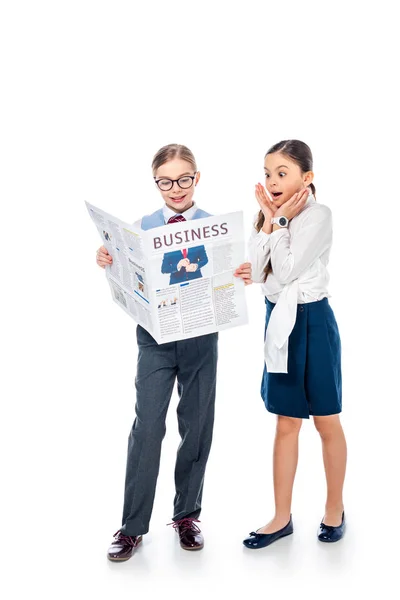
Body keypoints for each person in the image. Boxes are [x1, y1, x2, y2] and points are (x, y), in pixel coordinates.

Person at [96, 143, 252, 561]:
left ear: (196, 178)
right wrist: (105, 257)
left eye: (183, 179)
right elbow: (125, 270)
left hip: (202, 338)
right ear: (156, 183)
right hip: (155, 340)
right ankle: (131, 527)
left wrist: (244, 272)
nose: (175, 188)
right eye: (165, 181)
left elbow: (235, 276)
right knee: (147, 427)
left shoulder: (217, 227)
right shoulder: (142, 225)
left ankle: (186, 515)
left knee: (197, 424)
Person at [243, 140, 347, 549]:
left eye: (282, 173)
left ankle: (335, 508)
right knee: (285, 422)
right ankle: (281, 517)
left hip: (313, 321)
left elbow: (284, 269)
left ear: (307, 177)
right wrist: (269, 221)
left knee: (325, 420)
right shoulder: (267, 216)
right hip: (278, 323)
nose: (272, 181)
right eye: (268, 174)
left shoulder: (318, 215)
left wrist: (278, 221)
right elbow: (259, 273)